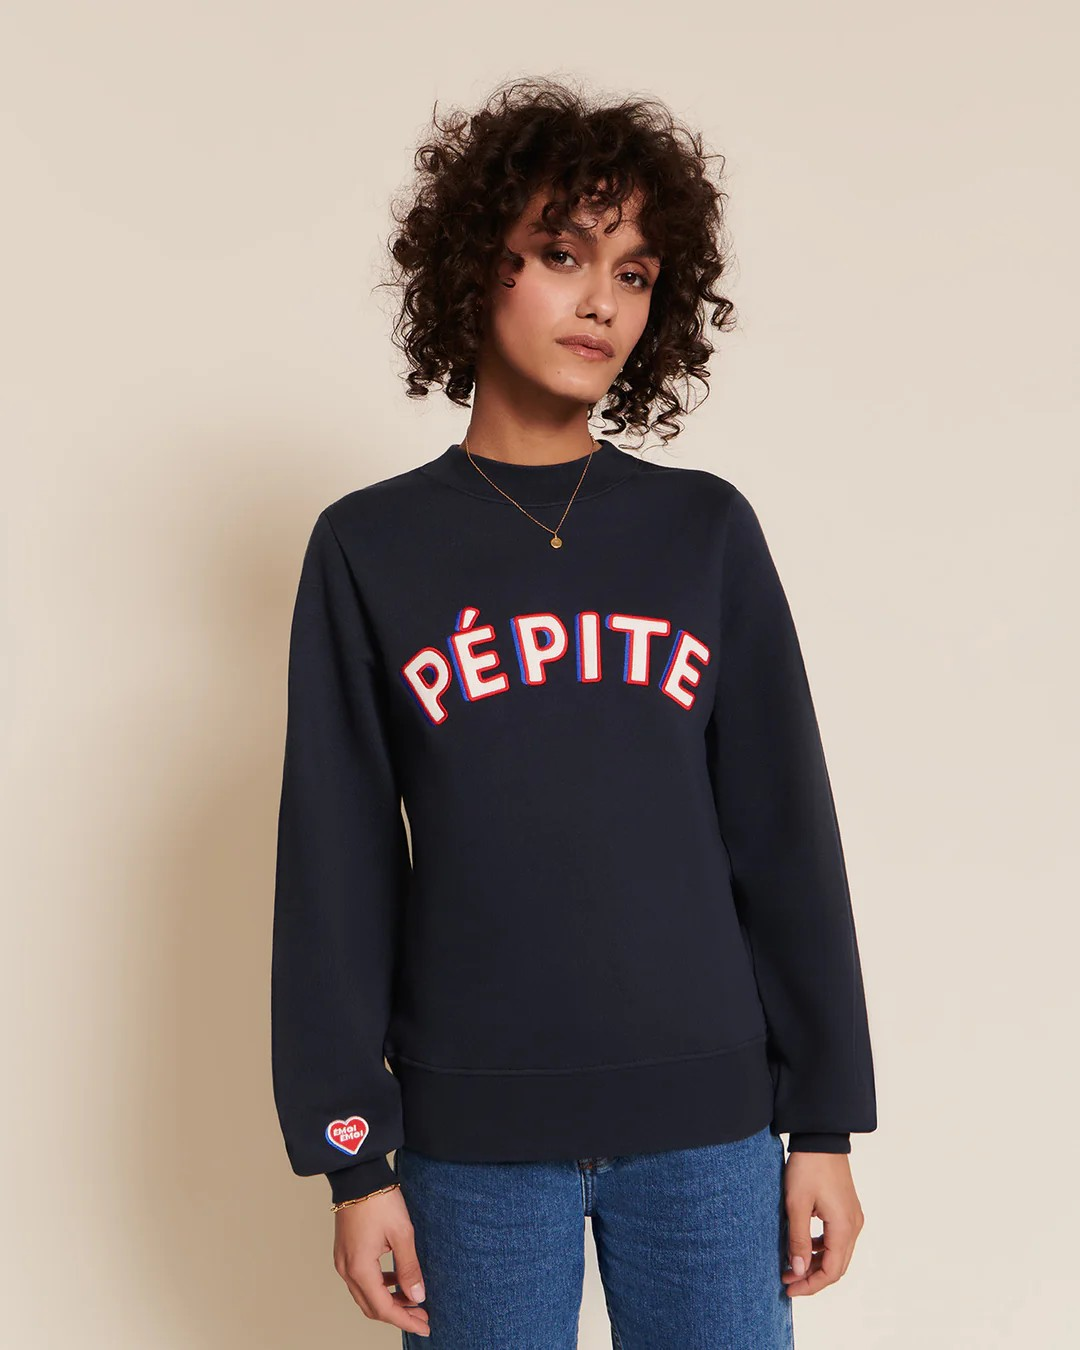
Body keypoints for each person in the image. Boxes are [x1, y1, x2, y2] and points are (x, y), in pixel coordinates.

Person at [270, 77, 876, 1349]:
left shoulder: (703, 531)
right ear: (472, 264)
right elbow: (337, 865)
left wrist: (821, 1122)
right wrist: (353, 1162)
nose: (602, 301)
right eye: (561, 254)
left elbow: (785, 835)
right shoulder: (370, 548)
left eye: (635, 273)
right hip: (470, 1144)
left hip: (709, 1137)